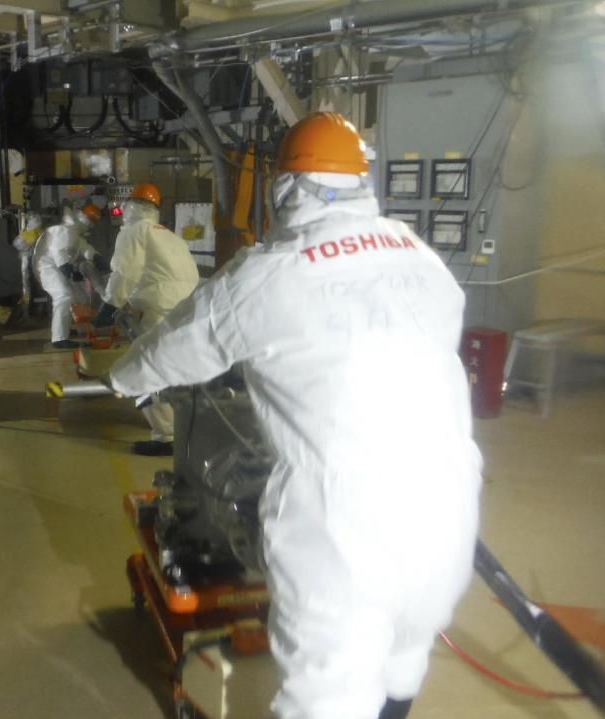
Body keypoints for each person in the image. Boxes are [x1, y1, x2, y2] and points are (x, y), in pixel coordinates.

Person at [107, 113, 482, 719]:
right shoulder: (419, 256)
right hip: (448, 497)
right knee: (405, 652)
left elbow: (178, 345)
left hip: (343, 516)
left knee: (328, 694)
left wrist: (122, 380)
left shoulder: (268, 275)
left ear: (286, 189)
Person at [93, 182, 199, 456]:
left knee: (145, 368)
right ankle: (186, 425)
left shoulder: (133, 231)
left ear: (129, 207)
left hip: (159, 310)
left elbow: (125, 272)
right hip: (187, 308)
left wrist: (110, 304)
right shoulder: (169, 235)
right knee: (176, 369)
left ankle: (166, 436)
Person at [32, 203, 105, 349]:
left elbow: (84, 248)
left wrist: (96, 257)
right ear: (83, 218)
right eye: (90, 221)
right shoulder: (65, 230)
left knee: (73, 296)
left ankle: (63, 329)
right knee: (63, 296)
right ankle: (59, 339)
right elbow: (57, 251)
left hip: (53, 268)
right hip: (47, 268)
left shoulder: (74, 233)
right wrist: (68, 269)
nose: (90, 225)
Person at [12, 212, 43, 319]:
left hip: (30, 262)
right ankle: (28, 310)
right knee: (30, 286)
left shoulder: (32, 233)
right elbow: (18, 244)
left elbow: (17, 244)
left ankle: (28, 311)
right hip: (32, 263)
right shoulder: (35, 233)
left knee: (29, 286)